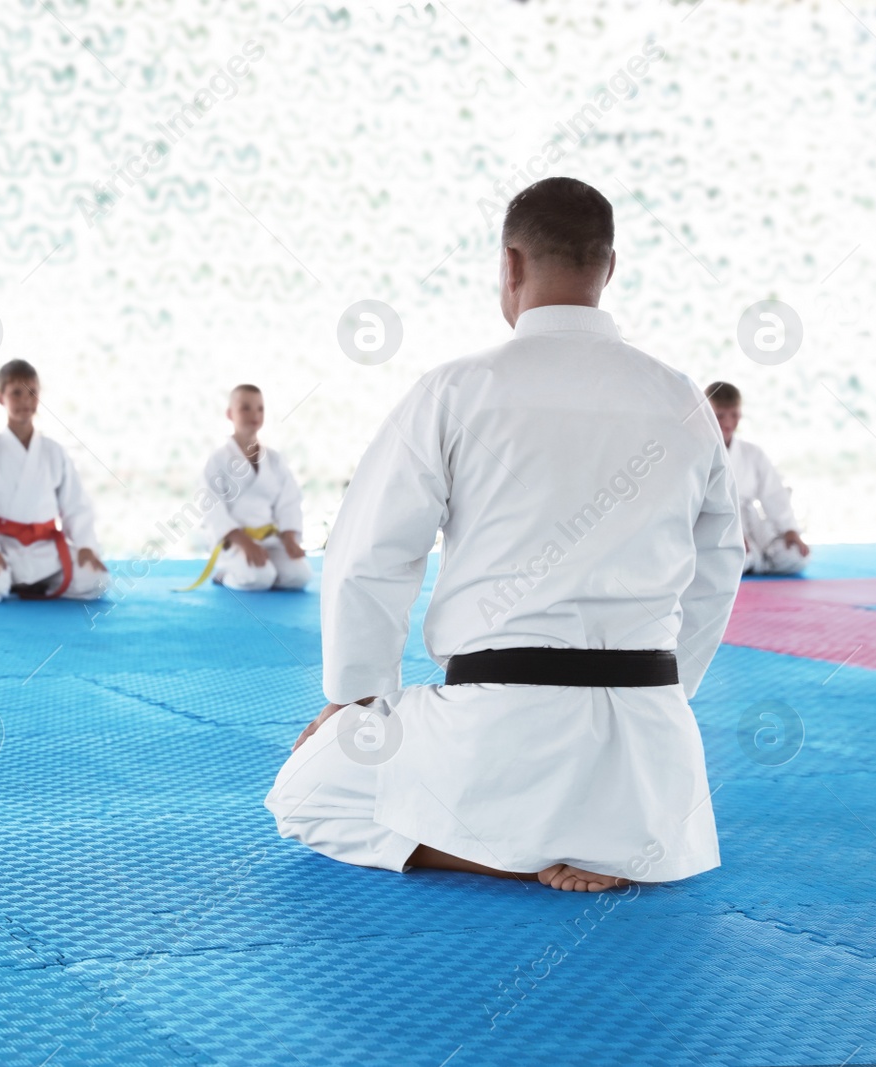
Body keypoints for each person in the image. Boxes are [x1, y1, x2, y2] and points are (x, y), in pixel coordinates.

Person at [265, 177, 744, 892]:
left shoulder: (456, 389)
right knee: (632, 782)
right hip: (651, 752)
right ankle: (597, 841)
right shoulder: (679, 395)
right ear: (608, 269)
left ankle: (491, 855)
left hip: (493, 729)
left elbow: (371, 553)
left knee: (302, 794)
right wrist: (672, 691)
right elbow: (720, 560)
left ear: (510, 265)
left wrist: (355, 695)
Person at [0, 359, 108, 603]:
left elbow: (75, 502)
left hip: (46, 548)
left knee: (97, 581)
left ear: (39, 396)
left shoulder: (54, 451)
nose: (25, 401)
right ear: (1, 398)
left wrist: (85, 545)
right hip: (2, 547)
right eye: (16, 393)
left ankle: (31, 584)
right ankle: (3, 581)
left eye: (32, 393)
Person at [182, 384, 311, 592]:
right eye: (246, 408)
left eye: (260, 408)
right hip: (235, 543)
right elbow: (211, 507)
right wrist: (244, 542)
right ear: (230, 414)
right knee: (258, 578)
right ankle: (225, 574)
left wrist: (289, 538)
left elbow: (289, 501)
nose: (255, 414)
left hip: (270, 538)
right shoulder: (218, 460)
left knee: (299, 575)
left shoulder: (275, 460)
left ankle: (269, 572)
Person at [706, 381, 809, 575]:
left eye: (734, 415)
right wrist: (731, 535)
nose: (728, 423)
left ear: (741, 414)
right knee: (729, 561)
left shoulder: (752, 453)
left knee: (797, 556)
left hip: (753, 525)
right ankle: (751, 561)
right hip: (719, 528)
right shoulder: (699, 452)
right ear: (707, 414)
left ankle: (759, 561)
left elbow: (774, 493)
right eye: (720, 416)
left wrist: (789, 530)